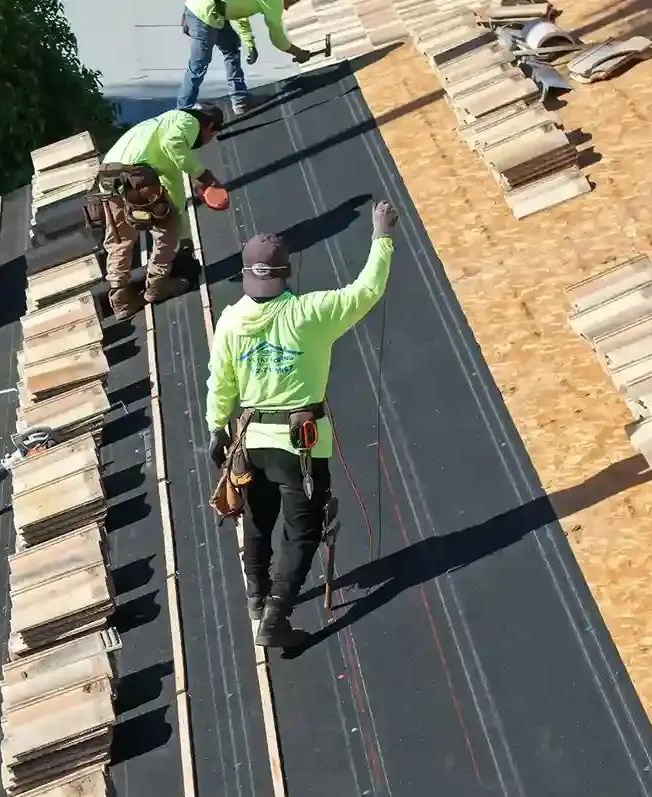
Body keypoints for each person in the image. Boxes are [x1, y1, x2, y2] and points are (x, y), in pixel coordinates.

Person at [205, 200, 397, 648]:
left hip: (249, 440)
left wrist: (217, 428)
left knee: (257, 520)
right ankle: (276, 615)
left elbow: (221, 382)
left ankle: (257, 598)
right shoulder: (311, 313)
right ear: (285, 272)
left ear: (247, 273)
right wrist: (382, 236)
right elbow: (366, 290)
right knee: (304, 530)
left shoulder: (231, 321)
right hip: (303, 446)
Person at [97, 103, 226, 321]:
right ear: (209, 126)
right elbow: (173, 144)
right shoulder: (187, 121)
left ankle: (120, 297)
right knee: (165, 230)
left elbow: (174, 198)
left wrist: (185, 239)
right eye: (212, 135)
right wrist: (203, 175)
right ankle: (158, 284)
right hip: (136, 176)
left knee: (121, 237)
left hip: (108, 176)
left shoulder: (158, 129)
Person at [178, 0, 314, 114]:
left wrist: (249, 43)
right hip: (202, 15)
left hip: (213, 11)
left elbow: (238, 13)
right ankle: (183, 109)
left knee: (231, 49)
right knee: (199, 65)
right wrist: (298, 52)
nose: (288, 8)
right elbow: (277, 38)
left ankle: (240, 100)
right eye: (292, 2)